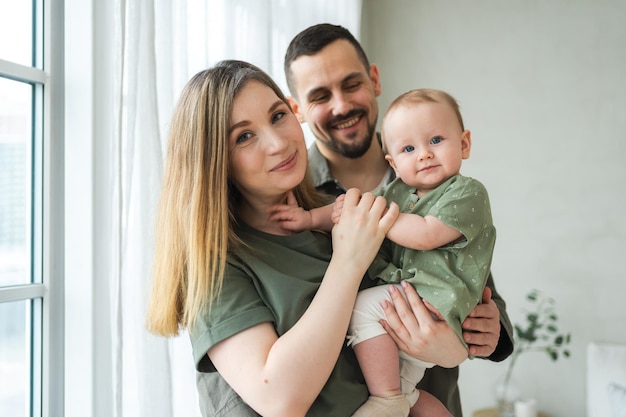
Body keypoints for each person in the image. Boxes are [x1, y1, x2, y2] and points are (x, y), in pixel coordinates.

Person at [145, 60, 469, 417]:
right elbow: (280, 400)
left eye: (278, 116)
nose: (277, 142)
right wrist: (348, 262)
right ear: (214, 161)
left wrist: (450, 346)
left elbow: (423, 309)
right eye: (244, 136)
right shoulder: (217, 268)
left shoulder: (337, 216)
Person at [283, 23, 514, 417]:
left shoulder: (443, 184)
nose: (341, 106)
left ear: (374, 80)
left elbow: (478, 286)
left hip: (436, 396)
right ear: (298, 110)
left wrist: (489, 335)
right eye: (320, 96)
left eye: (350, 84)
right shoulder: (292, 197)